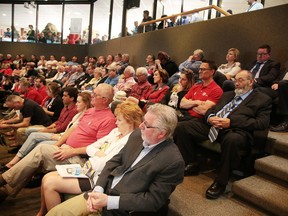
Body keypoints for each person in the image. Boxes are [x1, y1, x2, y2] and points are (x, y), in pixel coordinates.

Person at [46, 103, 185, 216]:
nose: (140, 126)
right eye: (143, 121)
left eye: (147, 125)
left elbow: (152, 201)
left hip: (122, 209)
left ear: (162, 133)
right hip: (103, 191)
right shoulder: (137, 135)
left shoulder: (172, 161)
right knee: (56, 213)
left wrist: (108, 201)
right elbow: (112, 162)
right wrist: (99, 189)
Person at [0, 83, 116, 202]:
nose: (91, 95)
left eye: (95, 94)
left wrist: (71, 151)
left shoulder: (109, 120)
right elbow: (72, 129)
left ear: (104, 100)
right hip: (67, 148)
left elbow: (99, 148)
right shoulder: (90, 111)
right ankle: (6, 191)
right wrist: (57, 145)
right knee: (38, 155)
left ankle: (4, 180)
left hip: (79, 158)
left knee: (41, 150)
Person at [174, 70, 272, 199]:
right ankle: (191, 163)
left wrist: (231, 122)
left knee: (232, 140)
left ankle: (221, 182)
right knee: (182, 127)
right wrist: (210, 117)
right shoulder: (227, 94)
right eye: (236, 80)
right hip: (213, 125)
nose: (237, 83)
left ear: (251, 82)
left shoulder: (263, 99)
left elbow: (262, 123)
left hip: (235, 130)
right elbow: (211, 110)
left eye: (241, 80)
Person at [38, 101, 143, 215]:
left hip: (96, 177)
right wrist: (99, 153)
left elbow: (105, 164)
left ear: (130, 121)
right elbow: (91, 147)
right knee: (46, 177)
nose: (116, 122)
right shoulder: (115, 132)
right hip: (88, 168)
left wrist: (98, 155)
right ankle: (43, 212)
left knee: (50, 183)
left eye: (119, 120)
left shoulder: (130, 141)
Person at [0, 92, 89, 172]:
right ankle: (22, 160)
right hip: (60, 134)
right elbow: (58, 122)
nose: (62, 98)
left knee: (33, 138)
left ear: (86, 103)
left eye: (79, 102)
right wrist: (48, 130)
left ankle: (21, 162)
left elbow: (62, 128)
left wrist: (47, 130)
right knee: (33, 136)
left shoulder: (76, 113)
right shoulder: (74, 112)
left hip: (61, 136)